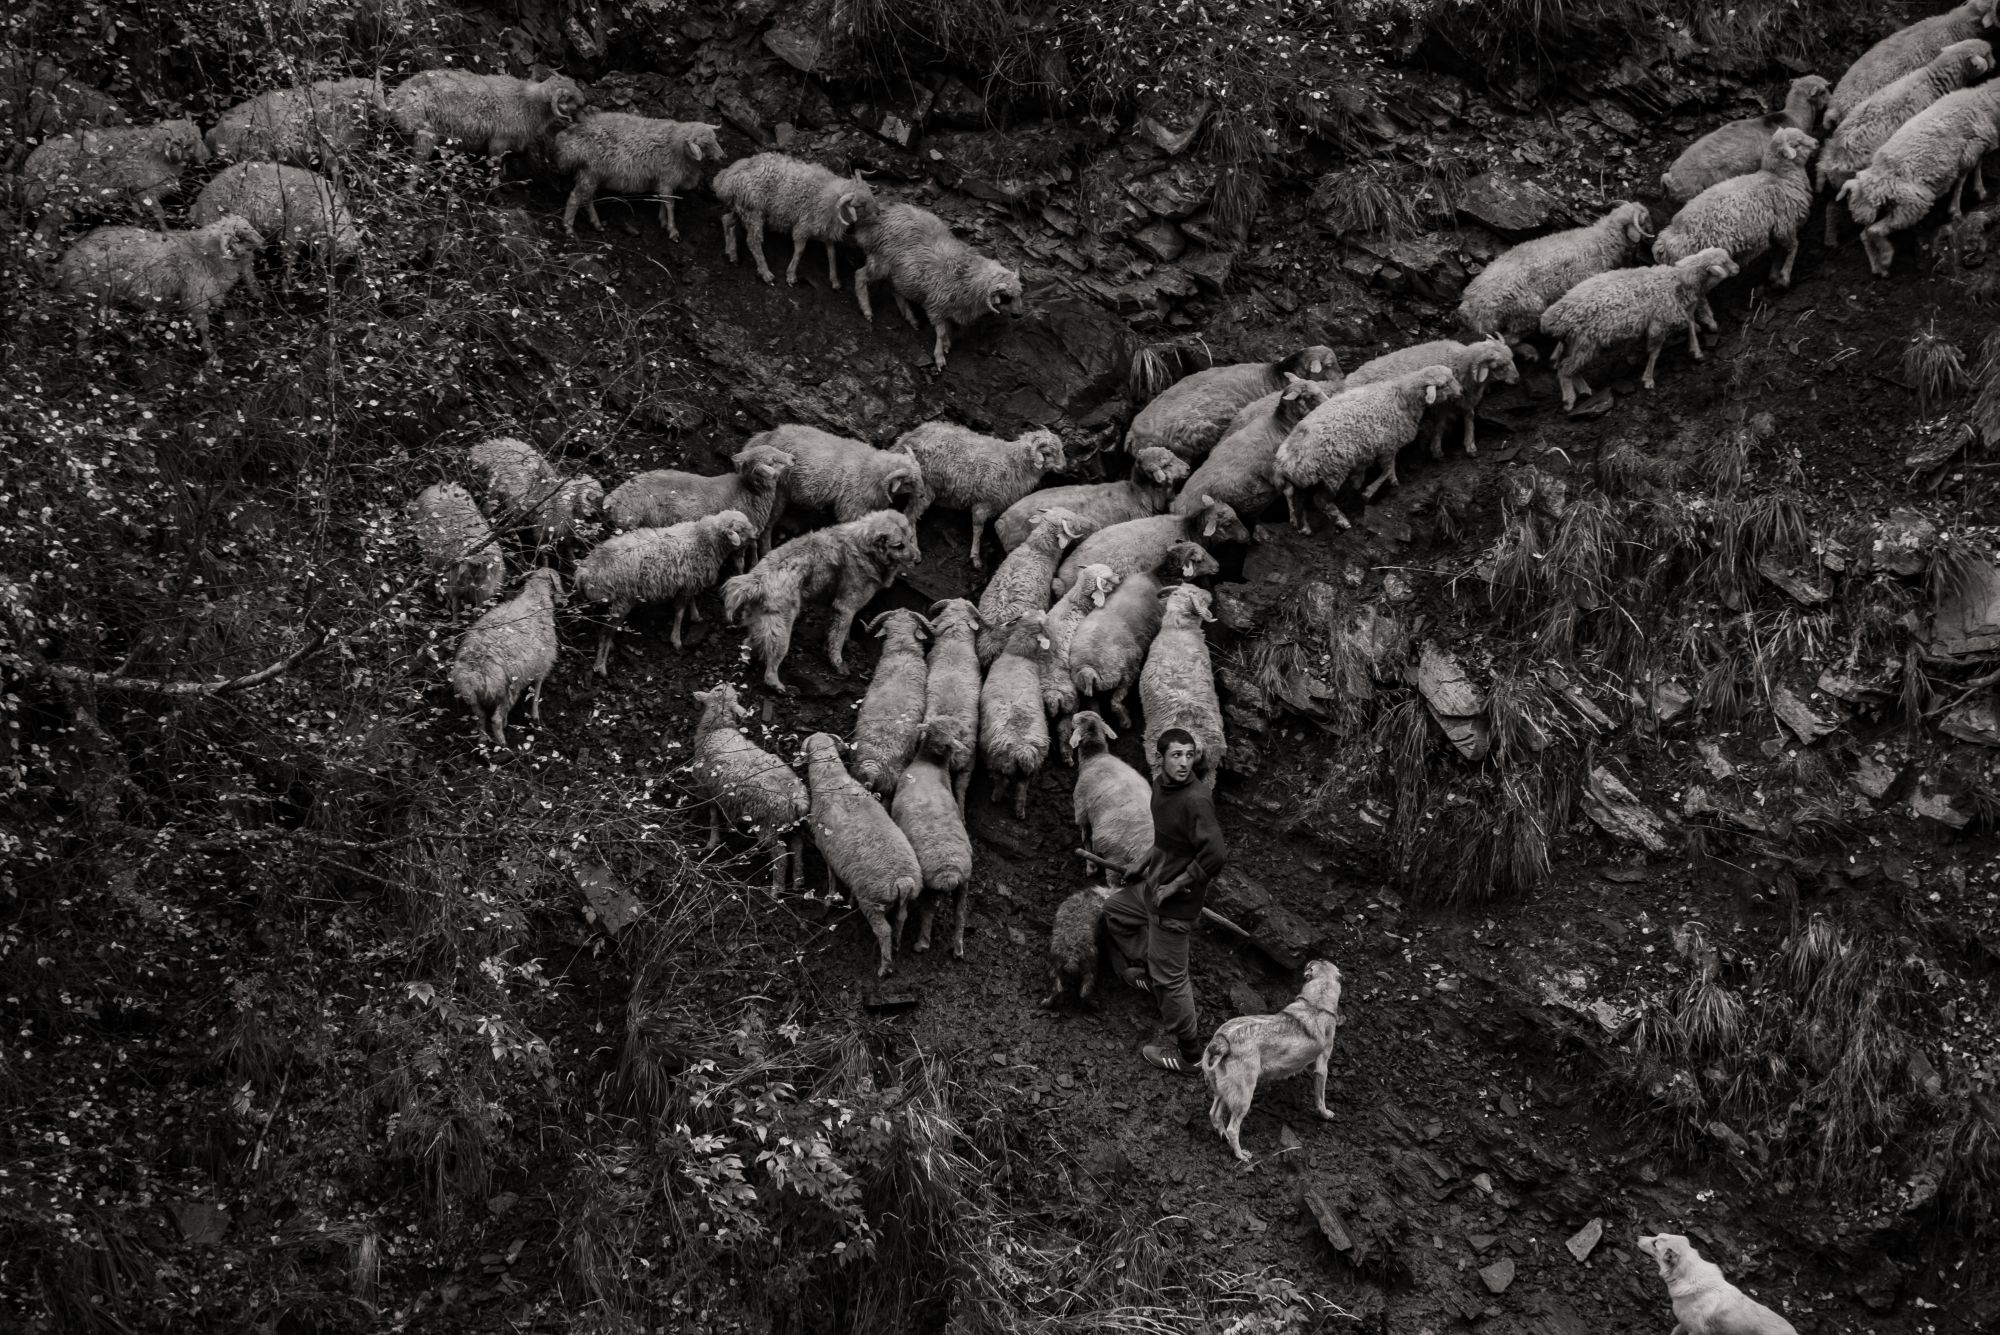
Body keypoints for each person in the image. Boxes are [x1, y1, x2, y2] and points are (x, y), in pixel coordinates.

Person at [1101, 727, 1228, 1074]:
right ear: (1161, 758)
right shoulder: (1160, 786)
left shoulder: (1195, 800)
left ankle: (1189, 1056)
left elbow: (1215, 855)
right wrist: (1140, 864)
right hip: (1151, 888)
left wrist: (1177, 886)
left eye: (1190, 755)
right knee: (1114, 910)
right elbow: (1165, 839)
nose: (1185, 763)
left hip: (1174, 905)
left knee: (1173, 981)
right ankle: (1150, 971)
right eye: (1176, 755)